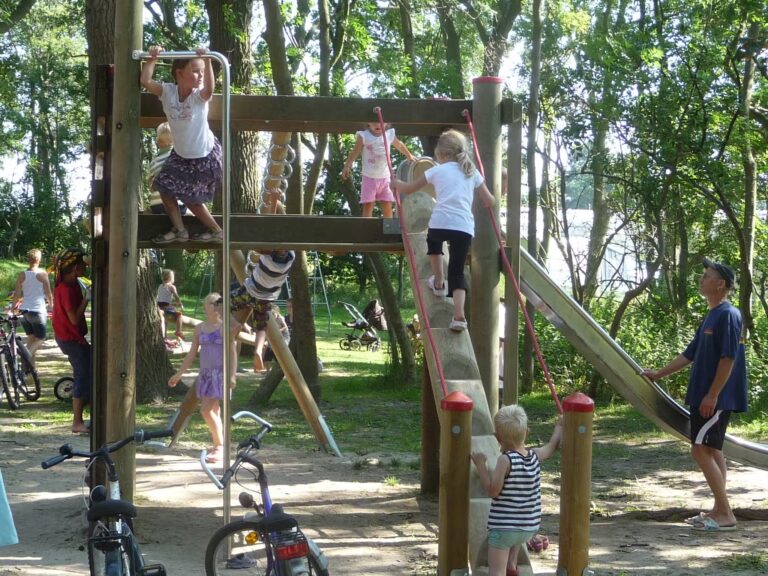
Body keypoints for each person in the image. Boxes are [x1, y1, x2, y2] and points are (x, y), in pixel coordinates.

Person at [643, 258, 748, 531]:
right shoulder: (711, 315)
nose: (701, 279)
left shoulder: (729, 315)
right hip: (705, 395)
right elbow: (689, 354)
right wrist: (658, 374)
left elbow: (729, 358)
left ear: (720, 283)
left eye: (707, 276)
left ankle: (726, 513)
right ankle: (719, 508)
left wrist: (712, 395)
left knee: (700, 450)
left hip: (716, 397)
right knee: (712, 450)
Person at [392, 129, 495, 332]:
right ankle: (459, 317)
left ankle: (439, 282)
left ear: (441, 154)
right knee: (457, 272)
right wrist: (485, 202)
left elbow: (410, 189)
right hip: (464, 227)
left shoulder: (436, 170)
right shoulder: (471, 171)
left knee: (435, 248)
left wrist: (396, 184)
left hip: (440, 222)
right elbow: (490, 200)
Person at [139, 45, 223, 244]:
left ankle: (217, 230)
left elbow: (210, 89)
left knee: (191, 198)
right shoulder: (168, 92)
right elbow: (145, 81)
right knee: (164, 187)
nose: (200, 75)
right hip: (181, 155)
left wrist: (209, 59)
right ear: (179, 73)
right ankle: (180, 229)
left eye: (202, 71)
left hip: (204, 155)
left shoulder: (198, 97)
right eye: (195, 71)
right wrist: (152, 58)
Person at [471, 405, 562, 576]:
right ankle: (512, 566)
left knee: (496, 571)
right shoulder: (535, 455)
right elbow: (550, 448)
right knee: (510, 556)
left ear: (497, 438)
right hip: (529, 527)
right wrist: (559, 427)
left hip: (505, 529)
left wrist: (481, 466)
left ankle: (508, 567)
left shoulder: (505, 460)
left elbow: (492, 491)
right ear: (527, 432)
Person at [168, 293, 236, 464]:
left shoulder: (225, 328)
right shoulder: (199, 328)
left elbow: (233, 352)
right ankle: (220, 444)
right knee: (213, 411)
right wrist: (179, 373)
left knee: (205, 410)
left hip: (219, 375)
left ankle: (220, 446)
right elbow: (191, 354)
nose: (215, 307)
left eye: (218, 304)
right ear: (206, 306)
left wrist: (233, 375)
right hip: (205, 375)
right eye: (212, 303)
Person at [231, 250, 295, 373]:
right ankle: (258, 350)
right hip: (266, 298)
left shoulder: (267, 257)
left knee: (220, 304)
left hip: (250, 291)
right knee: (261, 327)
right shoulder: (290, 259)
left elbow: (256, 255)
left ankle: (234, 324)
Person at [52, 248, 91, 434]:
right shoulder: (65, 289)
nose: (86, 268)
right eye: (83, 265)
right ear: (75, 268)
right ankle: (77, 422)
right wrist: (86, 300)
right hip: (69, 339)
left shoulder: (73, 283)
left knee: (90, 367)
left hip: (75, 338)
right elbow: (74, 319)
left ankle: (89, 410)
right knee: (82, 375)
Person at [341, 122, 415, 218]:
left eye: (380, 122)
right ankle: (367, 228)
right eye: (374, 122)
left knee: (387, 204)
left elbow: (399, 145)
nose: (377, 125)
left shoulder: (389, 134)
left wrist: (409, 155)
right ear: (368, 122)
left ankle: (389, 229)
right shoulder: (364, 136)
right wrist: (347, 166)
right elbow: (356, 151)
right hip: (369, 177)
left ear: (386, 123)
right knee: (368, 205)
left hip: (385, 178)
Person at [11, 248, 53, 364]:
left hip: (24, 311)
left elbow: (17, 295)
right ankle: (25, 355)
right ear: (39, 259)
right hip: (38, 310)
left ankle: (28, 371)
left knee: (31, 338)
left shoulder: (21, 275)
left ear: (28, 260)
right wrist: (52, 306)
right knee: (41, 338)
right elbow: (48, 293)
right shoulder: (43, 274)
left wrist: (12, 308)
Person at [146, 122, 187, 216]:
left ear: (158, 142)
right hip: (178, 207)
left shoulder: (154, 162)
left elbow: (150, 184)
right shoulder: (179, 158)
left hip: (157, 206)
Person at [157, 268, 184, 340]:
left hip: (159, 307)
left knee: (166, 321)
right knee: (179, 315)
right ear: (170, 277)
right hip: (166, 308)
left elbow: (162, 298)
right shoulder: (171, 286)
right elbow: (177, 297)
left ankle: (165, 335)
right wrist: (180, 304)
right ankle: (178, 331)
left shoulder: (160, 286)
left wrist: (173, 304)